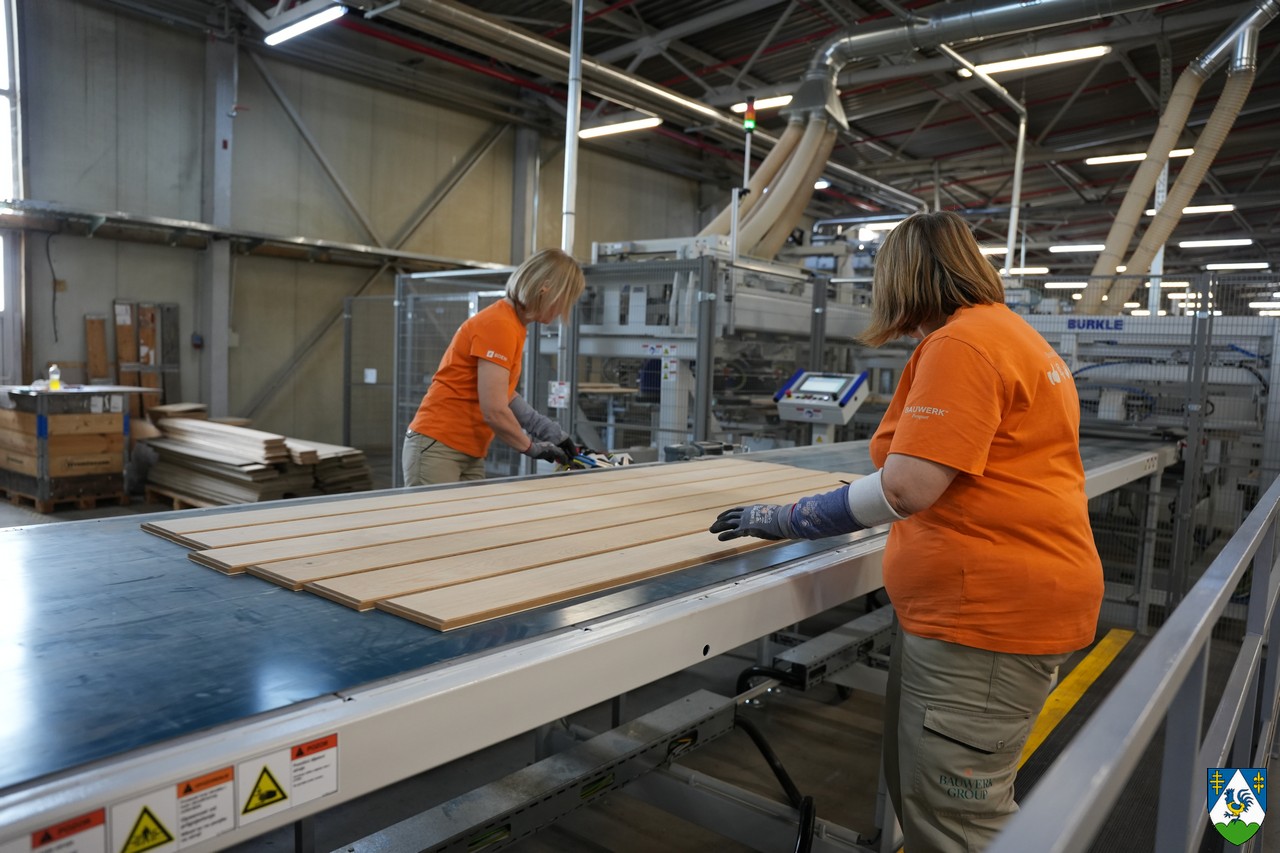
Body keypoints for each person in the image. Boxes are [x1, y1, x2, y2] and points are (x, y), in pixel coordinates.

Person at [709, 210, 1103, 852]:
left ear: (902, 279)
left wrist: (788, 518)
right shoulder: (1012, 334)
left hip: (986, 619)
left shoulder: (961, 345)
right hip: (1006, 603)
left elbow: (904, 489)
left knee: (959, 823)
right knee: (929, 797)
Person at [403, 248, 586, 486]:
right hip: (440, 446)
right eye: (564, 300)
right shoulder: (499, 324)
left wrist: (548, 430)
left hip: (469, 451)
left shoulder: (513, 324)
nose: (563, 310)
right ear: (546, 288)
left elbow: (504, 394)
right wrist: (532, 448)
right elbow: (494, 410)